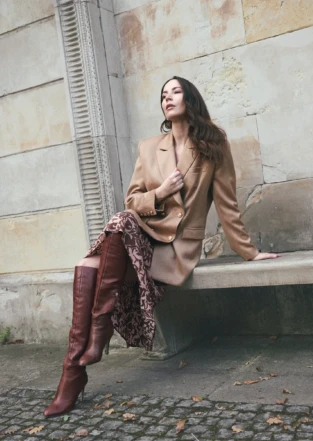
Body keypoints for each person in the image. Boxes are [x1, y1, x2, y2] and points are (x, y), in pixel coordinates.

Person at [43, 76, 281, 417]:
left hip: (176, 247)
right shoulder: (149, 147)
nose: (168, 98)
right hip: (143, 234)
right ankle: (83, 355)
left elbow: (227, 204)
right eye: (163, 95)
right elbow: (133, 200)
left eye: (175, 92)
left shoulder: (213, 144)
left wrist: (250, 252)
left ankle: (79, 365)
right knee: (119, 223)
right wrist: (162, 192)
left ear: (190, 99)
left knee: (88, 264)